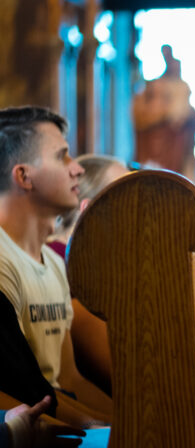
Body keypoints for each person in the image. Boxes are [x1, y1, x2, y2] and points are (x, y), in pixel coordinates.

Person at [0, 107, 112, 427]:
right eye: (62, 157)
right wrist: (97, 431)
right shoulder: (3, 260)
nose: (77, 169)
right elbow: (20, 393)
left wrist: (124, 426)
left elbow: (68, 380)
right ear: (23, 176)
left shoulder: (52, 261)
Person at [48, 155, 131, 391]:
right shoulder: (58, 260)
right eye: (125, 199)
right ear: (88, 208)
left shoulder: (102, 264)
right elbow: (124, 374)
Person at [133, 44, 195, 177]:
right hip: (154, 152)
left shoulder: (181, 87)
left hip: (174, 144)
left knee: (175, 173)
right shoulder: (150, 93)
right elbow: (141, 120)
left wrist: (185, 118)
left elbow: (184, 118)